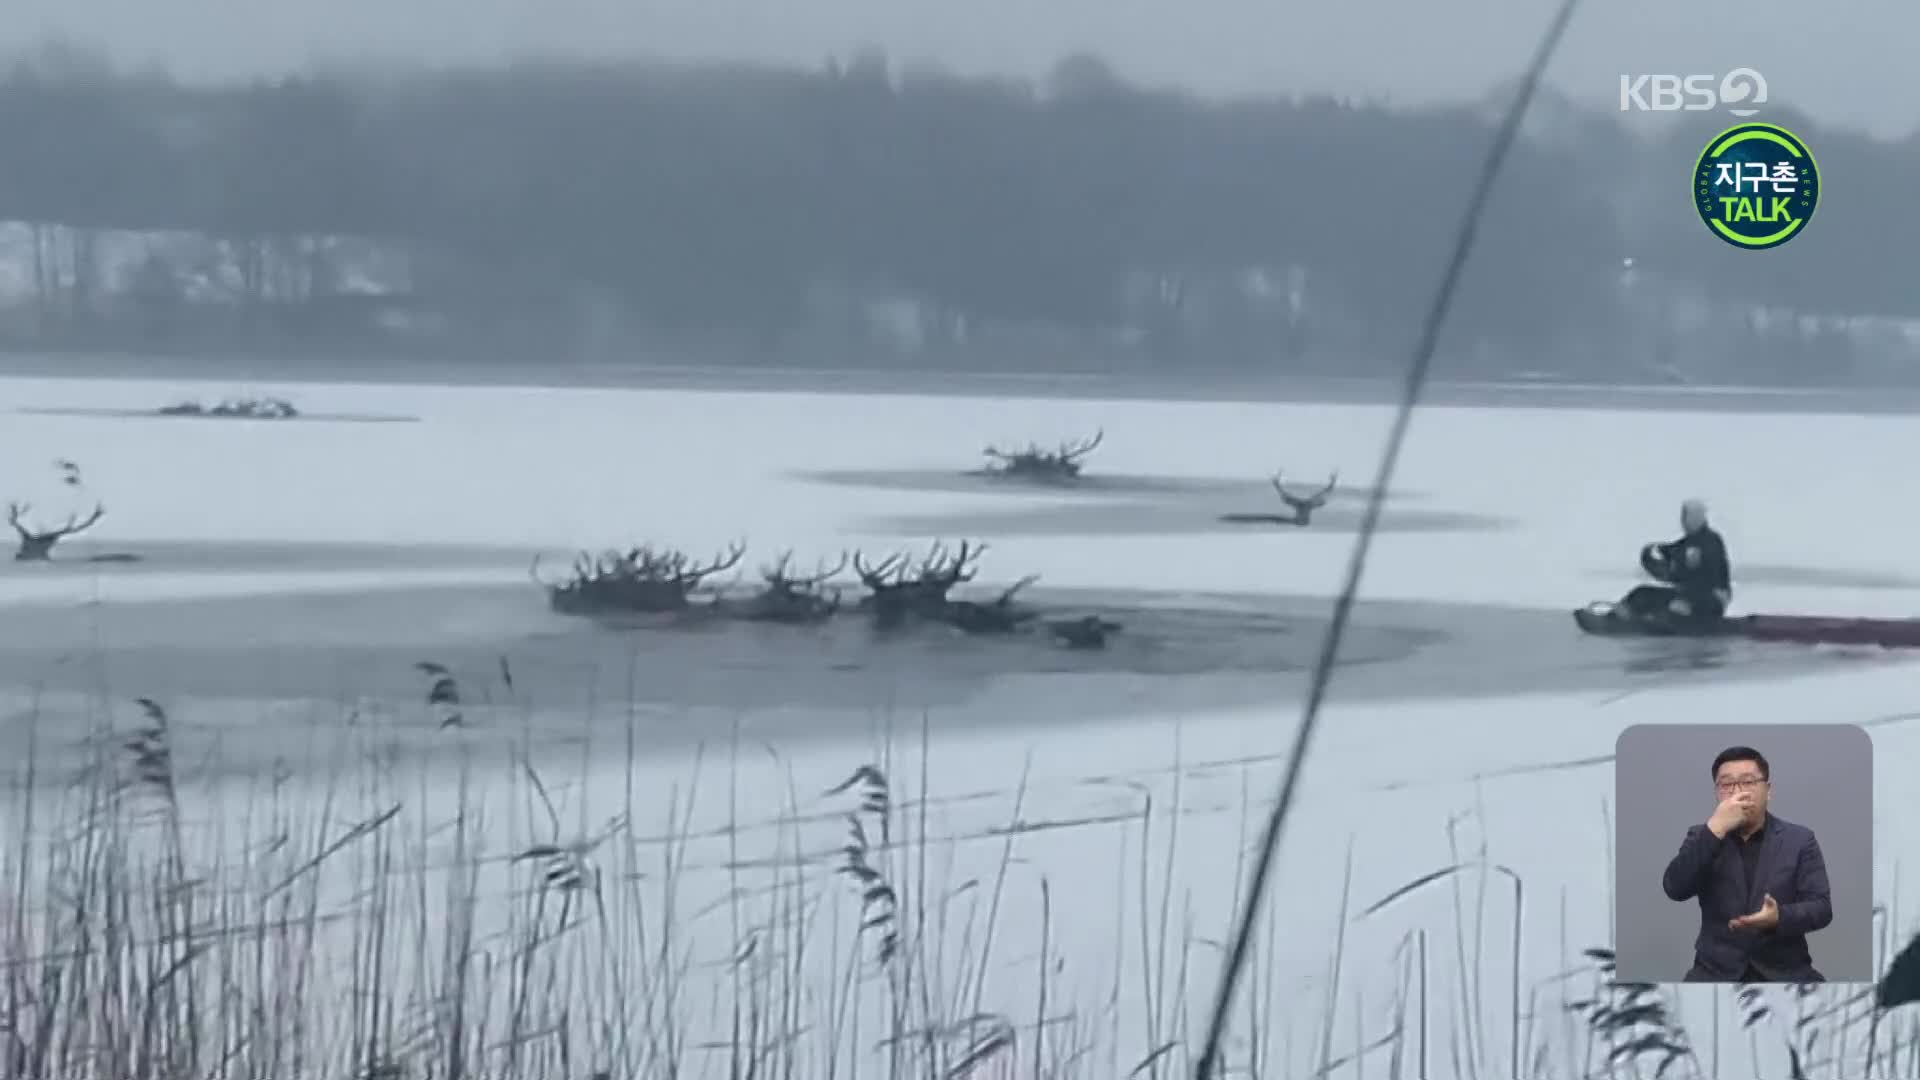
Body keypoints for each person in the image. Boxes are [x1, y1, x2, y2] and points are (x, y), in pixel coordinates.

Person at [1661, 746, 1831, 982]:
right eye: (1726, 785)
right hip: (1715, 972)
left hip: (1786, 972)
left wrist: (1779, 917)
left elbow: (1822, 908)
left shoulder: (1800, 839)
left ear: (1768, 790)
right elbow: (1675, 888)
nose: (1737, 792)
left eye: (1748, 782)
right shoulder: (1702, 836)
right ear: (1716, 793)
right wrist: (1716, 829)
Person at [1613, 498, 1732, 632]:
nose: (1682, 521)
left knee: (1676, 608)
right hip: (1687, 594)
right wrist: (1652, 551)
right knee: (1642, 593)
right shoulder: (1686, 544)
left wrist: (1687, 598)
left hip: (1711, 599)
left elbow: (1707, 578)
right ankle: (1622, 614)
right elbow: (1668, 551)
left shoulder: (1712, 542)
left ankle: (1664, 620)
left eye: (1685, 516)